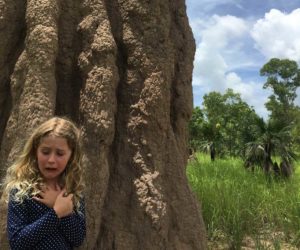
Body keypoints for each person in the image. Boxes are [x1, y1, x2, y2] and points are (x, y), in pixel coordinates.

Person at [1, 117, 86, 250]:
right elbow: (17, 242)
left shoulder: (72, 191)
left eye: (60, 154)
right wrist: (56, 212)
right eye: (45, 152)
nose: (51, 160)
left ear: (71, 156)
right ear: (35, 152)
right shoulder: (22, 190)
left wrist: (65, 213)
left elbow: (78, 239)